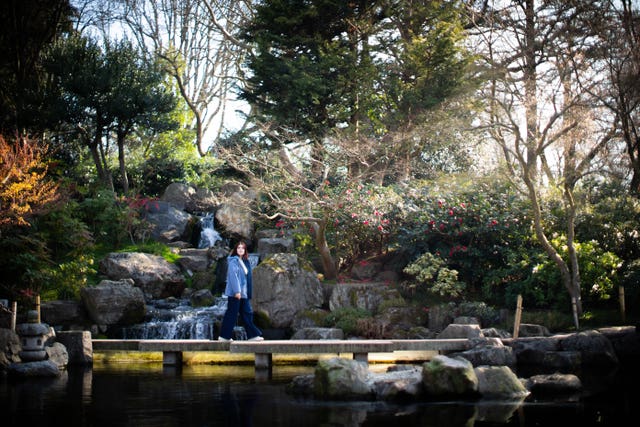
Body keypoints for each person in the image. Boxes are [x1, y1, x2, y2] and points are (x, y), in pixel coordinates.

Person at [218, 241, 264, 341]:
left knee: (247, 313)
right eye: (238, 248)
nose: (240, 249)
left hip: (244, 294)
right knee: (232, 314)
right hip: (236, 293)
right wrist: (237, 291)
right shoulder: (233, 261)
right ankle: (223, 336)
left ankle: (252, 336)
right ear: (235, 250)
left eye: (242, 248)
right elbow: (233, 277)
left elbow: (247, 279)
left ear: (245, 250)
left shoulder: (245, 261)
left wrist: (247, 293)